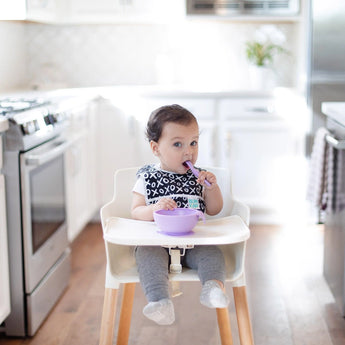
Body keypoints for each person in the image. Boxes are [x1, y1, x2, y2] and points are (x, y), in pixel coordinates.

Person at [131, 104, 229, 325]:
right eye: (178, 144)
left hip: (194, 243)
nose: (189, 152)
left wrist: (211, 188)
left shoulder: (199, 177)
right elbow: (136, 211)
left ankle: (213, 288)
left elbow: (214, 210)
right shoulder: (147, 178)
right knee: (146, 255)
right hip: (157, 244)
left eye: (193, 143)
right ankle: (160, 302)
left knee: (213, 253)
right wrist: (154, 209)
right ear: (155, 148)